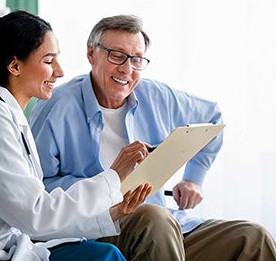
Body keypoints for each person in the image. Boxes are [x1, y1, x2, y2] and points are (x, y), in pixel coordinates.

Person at [0, 11, 153, 261]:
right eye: (48, 61)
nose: (60, 71)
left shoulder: (11, 117)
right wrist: (114, 176)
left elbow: (30, 219)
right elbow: (36, 216)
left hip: (0, 248)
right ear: (15, 65)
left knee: (105, 253)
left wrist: (110, 215)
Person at [29, 14, 276, 260]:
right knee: (154, 219)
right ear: (91, 54)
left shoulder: (157, 96)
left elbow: (213, 118)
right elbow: (38, 188)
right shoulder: (56, 106)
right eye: (116, 55)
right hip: (97, 226)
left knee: (253, 237)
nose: (126, 69)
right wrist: (108, 185)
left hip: (164, 226)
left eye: (136, 60)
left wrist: (193, 179)